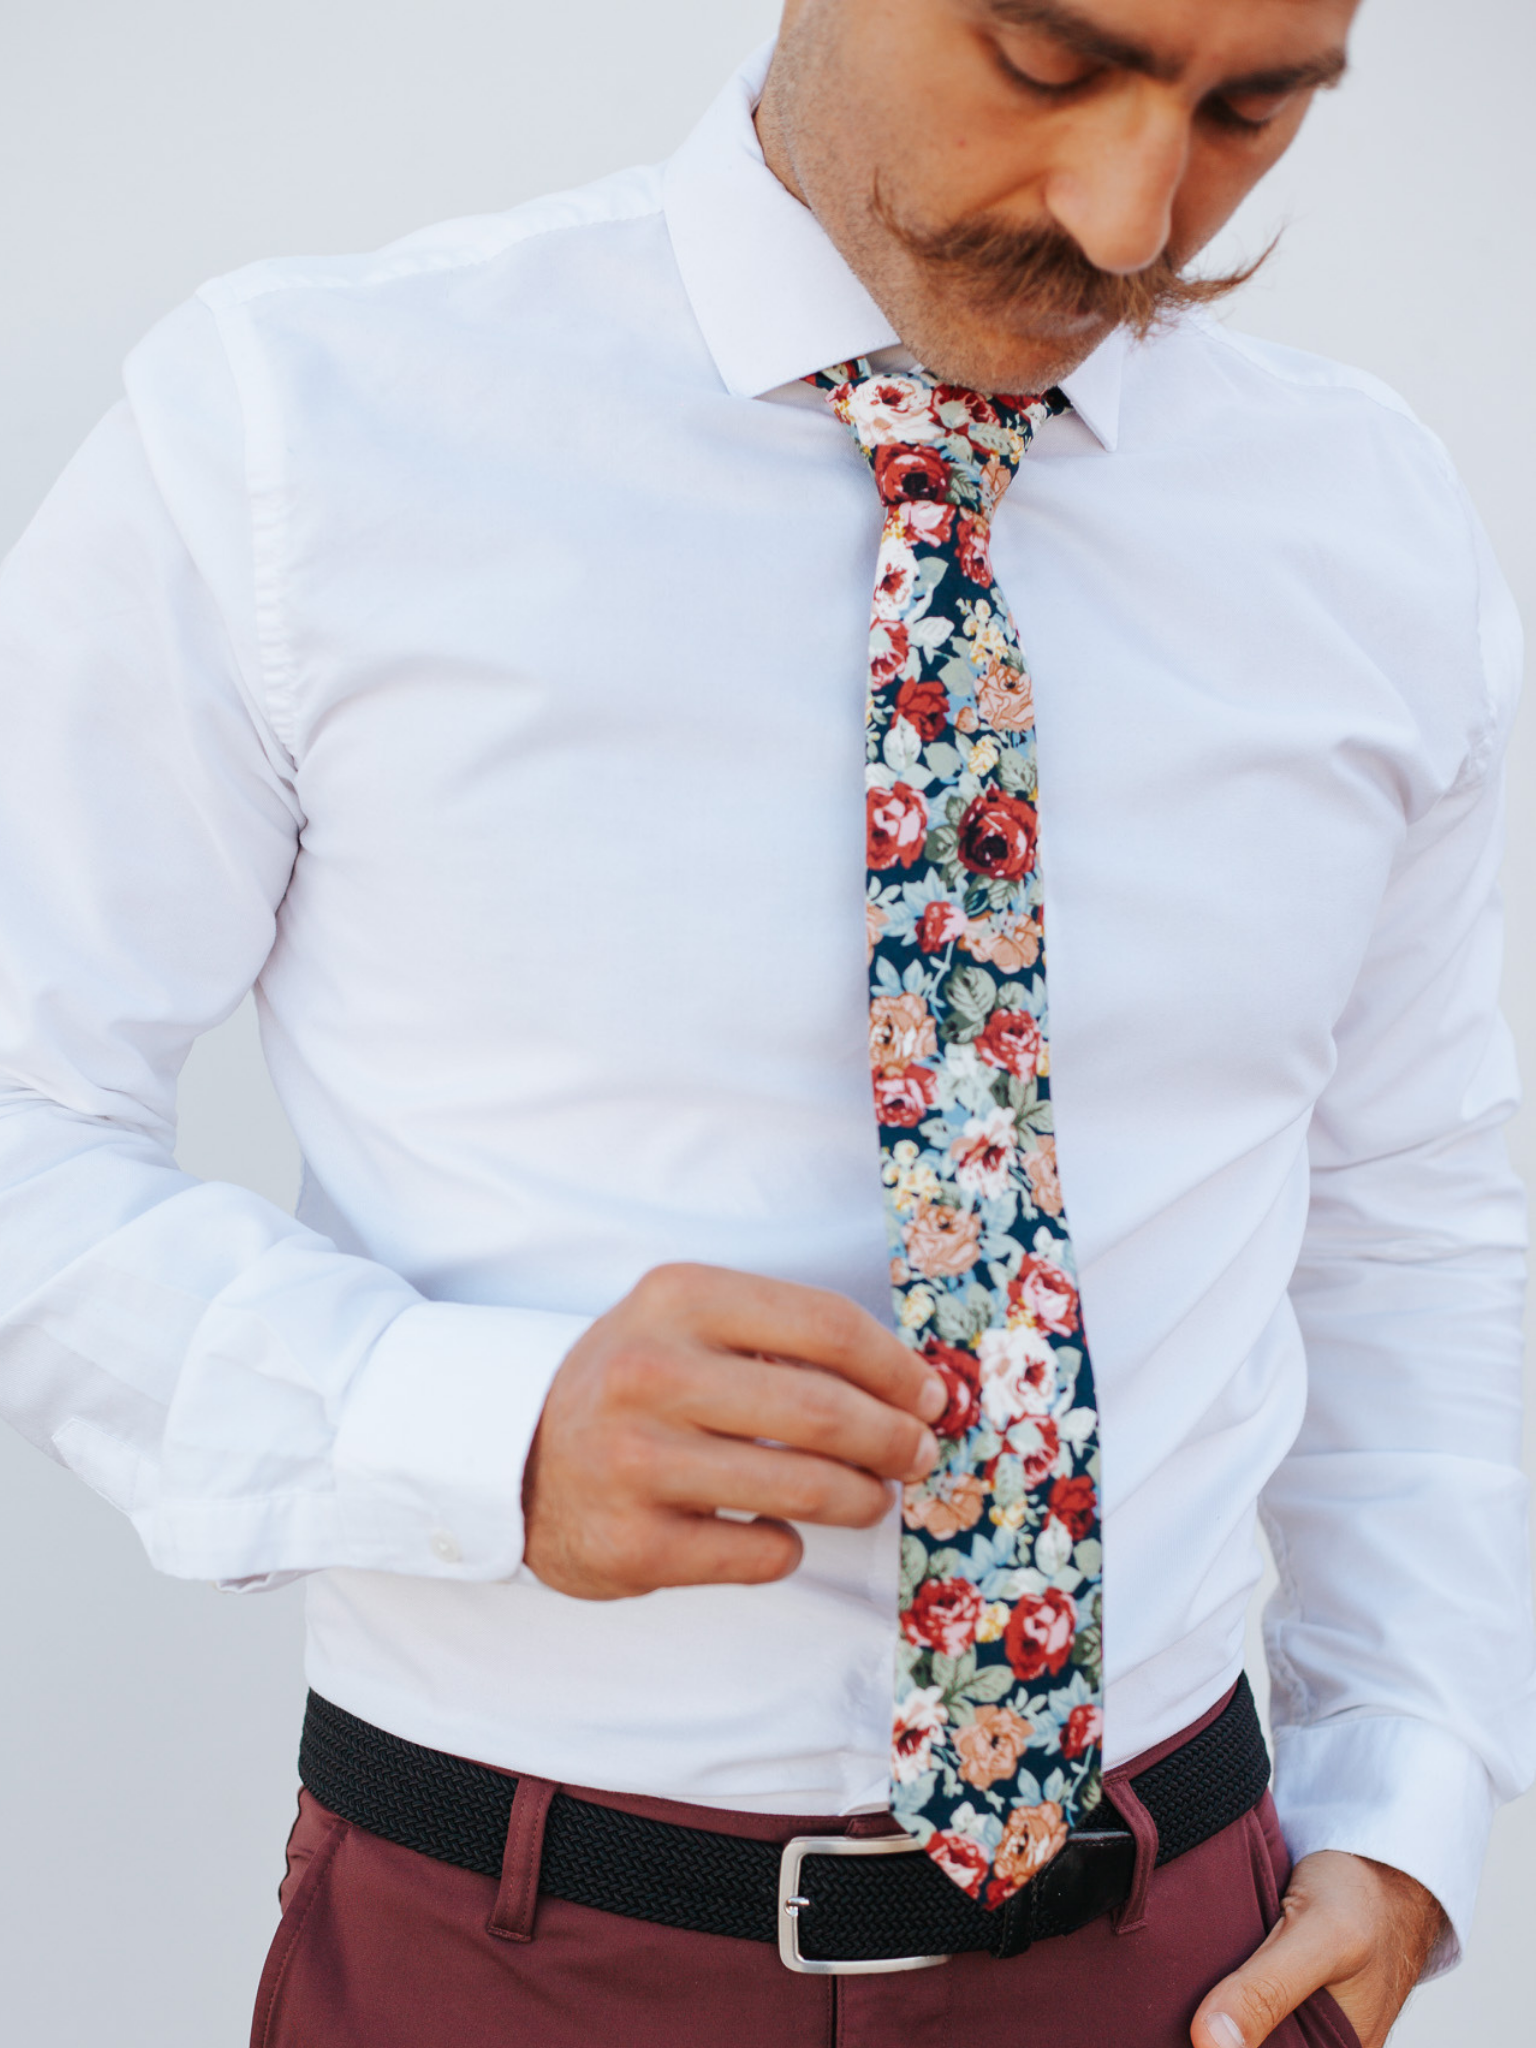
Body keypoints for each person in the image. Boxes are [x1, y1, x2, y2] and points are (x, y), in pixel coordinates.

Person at [0, 1, 1531, 2042]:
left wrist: (1411, 1786)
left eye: (1250, 110)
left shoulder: (1366, 520)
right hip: (509, 1957)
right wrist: (467, 1424)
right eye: (1052, 65)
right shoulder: (292, 430)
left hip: (1184, 1955)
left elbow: (1416, 1209)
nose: (1130, 212)